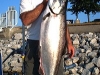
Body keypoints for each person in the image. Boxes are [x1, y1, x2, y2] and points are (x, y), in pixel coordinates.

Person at [19, 0, 75, 75]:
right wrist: (44, 3)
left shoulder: (57, 8)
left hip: (55, 46)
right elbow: (25, 20)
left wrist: (69, 42)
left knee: (54, 71)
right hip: (33, 44)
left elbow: (62, 22)